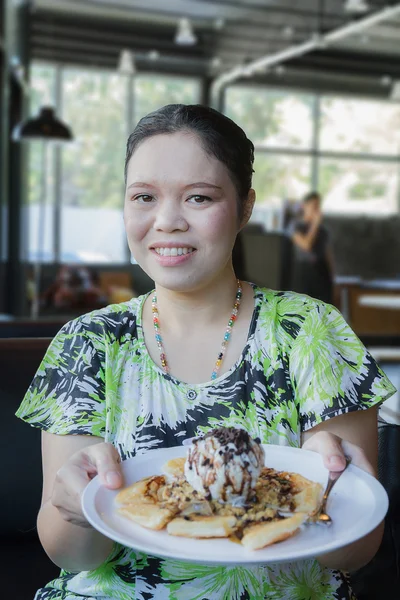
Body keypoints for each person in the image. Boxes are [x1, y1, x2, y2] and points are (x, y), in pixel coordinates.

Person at [16, 104, 396, 600]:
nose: (168, 221)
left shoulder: (312, 331)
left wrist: (348, 500)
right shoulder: (87, 342)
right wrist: (73, 508)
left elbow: (352, 554)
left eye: (199, 197)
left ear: (244, 207)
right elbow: (74, 556)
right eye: (144, 197)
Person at [289, 191, 335, 304]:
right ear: (304, 206)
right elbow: (306, 245)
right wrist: (315, 224)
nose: (316, 210)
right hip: (303, 273)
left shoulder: (323, 230)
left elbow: (327, 254)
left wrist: (334, 279)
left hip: (322, 273)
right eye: (313, 206)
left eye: (318, 206)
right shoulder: (295, 225)